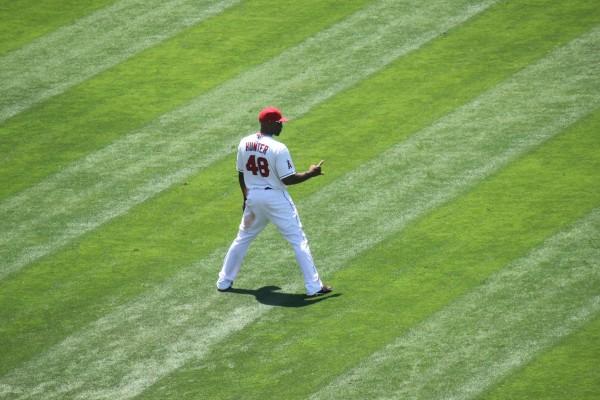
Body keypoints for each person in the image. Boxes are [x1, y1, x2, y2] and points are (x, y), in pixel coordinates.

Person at [216, 106, 332, 297]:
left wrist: (246, 198)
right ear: (268, 123)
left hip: (253, 197)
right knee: (298, 240)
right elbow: (288, 179)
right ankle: (314, 287)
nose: (281, 126)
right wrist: (311, 174)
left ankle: (223, 281)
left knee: (242, 238)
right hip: (276, 198)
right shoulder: (279, 148)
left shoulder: (244, 142)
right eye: (279, 123)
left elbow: (241, 174)